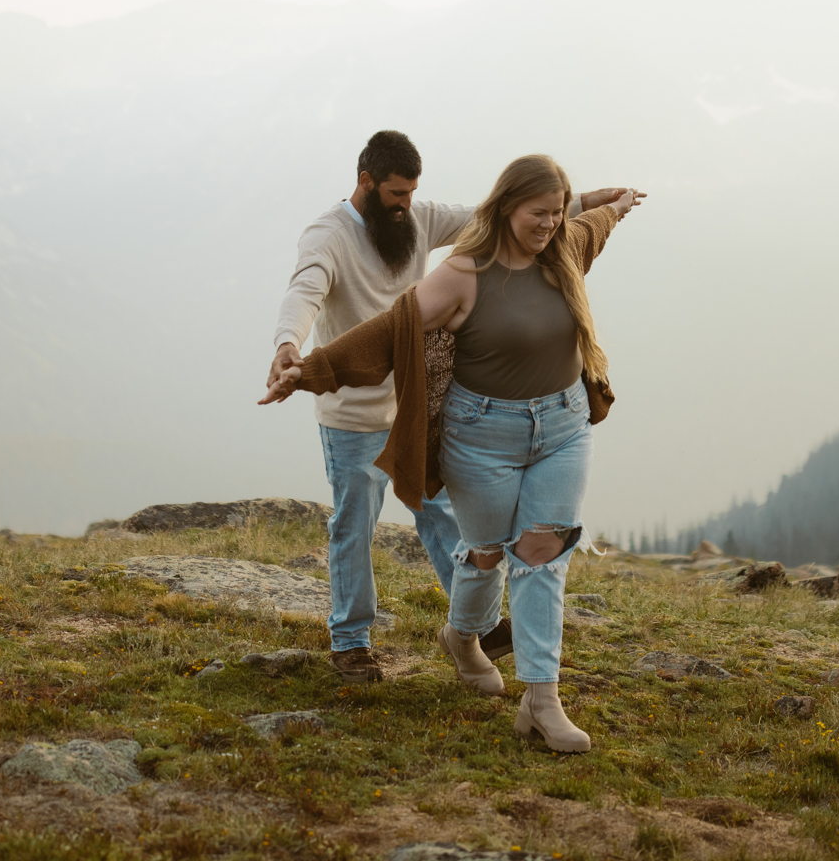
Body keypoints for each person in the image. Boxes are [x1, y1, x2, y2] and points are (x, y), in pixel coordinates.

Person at [264, 154, 644, 752]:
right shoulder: (463, 273)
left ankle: (542, 700)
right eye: (536, 214)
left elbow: (589, 229)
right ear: (506, 208)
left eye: (556, 212)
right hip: (482, 436)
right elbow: (389, 332)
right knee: (487, 554)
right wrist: (311, 369)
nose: (549, 224)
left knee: (542, 551)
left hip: (564, 428)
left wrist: (613, 208)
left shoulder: (563, 249)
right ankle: (462, 637)